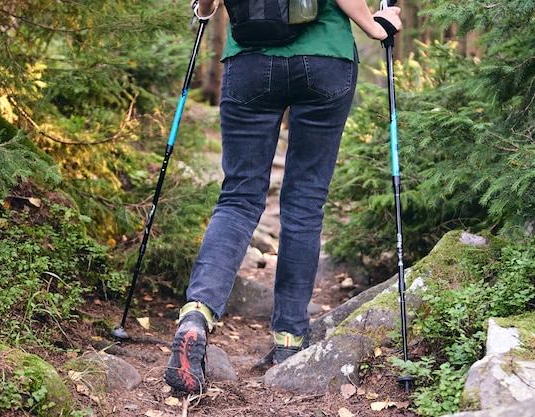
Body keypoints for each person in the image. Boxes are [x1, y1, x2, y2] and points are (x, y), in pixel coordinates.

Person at [164, 0, 402, 394]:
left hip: (250, 62)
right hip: (326, 58)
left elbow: (207, 6)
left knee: (238, 198)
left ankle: (196, 315)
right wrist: (375, 26)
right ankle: (289, 341)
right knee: (305, 202)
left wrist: (204, 10)